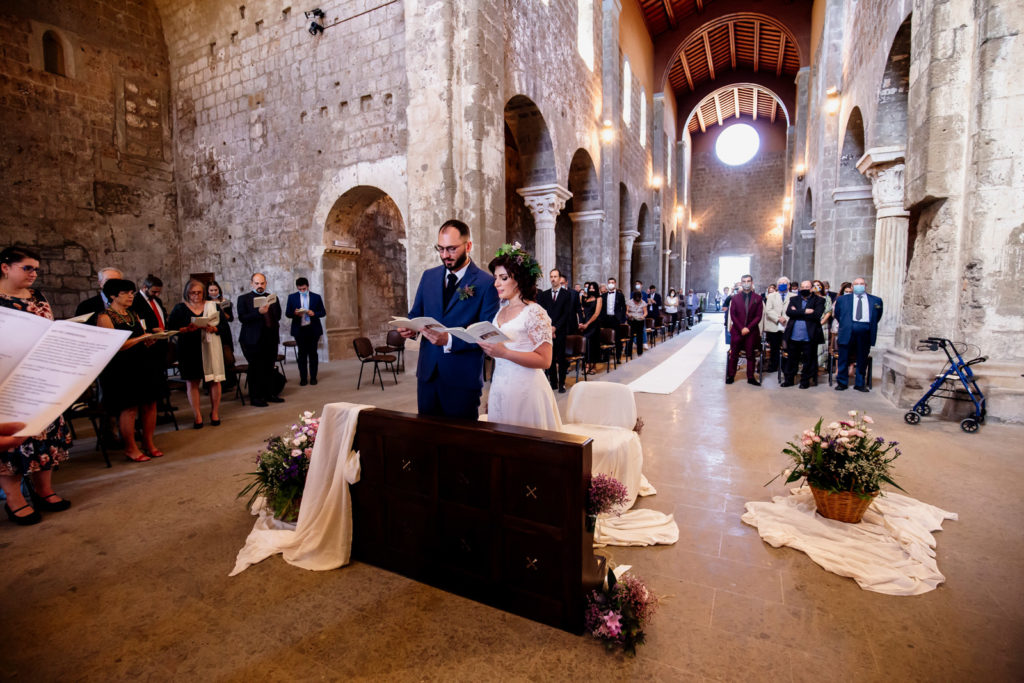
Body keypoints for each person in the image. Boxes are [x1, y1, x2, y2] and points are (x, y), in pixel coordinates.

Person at [0, 246, 73, 525]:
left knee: (46, 434)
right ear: (5, 267)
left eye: (36, 269)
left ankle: (44, 490)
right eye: (27, 267)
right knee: (14, 441)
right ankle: (14, 499)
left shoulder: (38, 296)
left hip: (42, 375)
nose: (33, 273)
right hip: (9, 379)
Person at [398, 220, 500, 419]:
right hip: (427, 375)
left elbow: (487, 334)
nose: (445, 255)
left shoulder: (486, 283)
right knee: (427, 438)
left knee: (459, 444)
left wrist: (449, 340)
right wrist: (410, 328)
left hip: (462, 379)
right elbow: (415, 314)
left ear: (468, 246)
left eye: (452, 249)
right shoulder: (429, 276)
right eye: (441, 248)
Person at [478, 245, 561, 431]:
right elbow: (500, 352)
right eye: (496, 278)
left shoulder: (535, 312)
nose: (496, 284)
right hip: (500, 384)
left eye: (503, 278)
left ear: (519, 280)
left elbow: (545, 360)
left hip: (527, 390)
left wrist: (505, 352)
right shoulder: (501, 309)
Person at [96, 278, 163, 461]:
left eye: (132, 292)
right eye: (126, 293)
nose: (131, 296)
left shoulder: (132, 314)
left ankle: (148, 443)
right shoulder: (105, 317)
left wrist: (149, 339)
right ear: (112, 295)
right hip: (121, 368)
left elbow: (140, 336)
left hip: (141, 363)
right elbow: (112, 346)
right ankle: (130, 447)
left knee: (150, 404)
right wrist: (140, 340)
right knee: (130, 408)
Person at [168, 278, 226, 428]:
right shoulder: (180, 308)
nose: (196, 296)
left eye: (199, 293)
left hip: (210, 346)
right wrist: (184, 329)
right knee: (192, 382)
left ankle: (215, 413)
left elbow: (224, 327)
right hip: (188, 348)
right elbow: (171, 328)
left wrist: (214, 328)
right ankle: (197, 415)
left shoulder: (213, 306)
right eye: (192, 293)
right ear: (187, 293)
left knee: (214, 380)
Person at [237, 273, 284, 407]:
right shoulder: (244, 299)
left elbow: (278, 316)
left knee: (269, 367)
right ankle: (256, 397)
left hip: (271, 337)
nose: (259, 286)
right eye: (257, 283)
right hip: (252, 339)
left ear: (266, 283)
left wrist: (270, 311)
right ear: (251, 283)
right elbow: (242, 318)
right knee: (256, 369)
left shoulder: (272, 298)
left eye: (262, 283)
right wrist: (259, 312)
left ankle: (270, 394)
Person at [834, 277, 884, 392]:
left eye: (861, 283)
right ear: (852, 287)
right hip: (847, 331)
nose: (859, 286)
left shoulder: (876, 300)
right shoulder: (843, 299)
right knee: (843, 358)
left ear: (865, 285)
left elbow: (877, 316)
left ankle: (860, 383)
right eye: (856, 284)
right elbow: (838, 314)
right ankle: (842, 382)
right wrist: (847, 324)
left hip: (865, 332)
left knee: (862, 358)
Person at [537, 268, 576, 393]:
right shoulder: (544, 295)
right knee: (551, 358)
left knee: (561, 358)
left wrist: (555, 328)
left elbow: (566, 314)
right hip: (547, 331)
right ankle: (553, 383)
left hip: (561, 330)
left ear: (560, 279)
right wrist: (549, 328)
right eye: (551, 276)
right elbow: (542, 313)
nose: (553, 279)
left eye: (555, 276)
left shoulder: (566, 294)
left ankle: (561, 383)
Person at [781, 280, 825, 389]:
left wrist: (798, 312)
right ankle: (789, 380)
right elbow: (789, 313)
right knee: (792, 359)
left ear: (811, 288)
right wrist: (806, 311)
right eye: (803, 286)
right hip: (793, 335)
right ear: (800, 288)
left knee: (808, 360)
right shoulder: (794, 299)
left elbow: (816, 315)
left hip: (809, 336)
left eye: (807, 287)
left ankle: (805, 381)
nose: (805, 288)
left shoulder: (819, 300)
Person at [285, 277, 327, 386]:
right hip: (299, 330)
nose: (302, 291)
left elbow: (323, 312)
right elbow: (287, 313)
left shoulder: (316, 297)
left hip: (313, 329)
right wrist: (295, 313)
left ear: (308, 286)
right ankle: (303, 378)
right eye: (300, 289)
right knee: (302, 355)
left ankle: (313, 377)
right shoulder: (292, 297)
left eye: (304, 289)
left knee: (313, 354)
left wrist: (314, 313)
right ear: (297, 288)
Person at [726, 274, 763, 385]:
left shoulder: (758, 298)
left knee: (750, 355)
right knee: (734, 355)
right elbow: (733, 315)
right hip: (737, 331)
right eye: (744, 281)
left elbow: (758, 316)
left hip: (751, 332)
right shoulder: (735, 298)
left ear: (751, 283)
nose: (746, 283)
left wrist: (748, 328)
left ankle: (750, 377)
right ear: (741, 283)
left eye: (748, 281)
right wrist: (741, 328)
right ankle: (731, 376)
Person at [206, 280, 236, 389]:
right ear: (208, 291)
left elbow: (231, 318)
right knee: (212, 356)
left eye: (215, 290)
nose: (213, 292)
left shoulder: (225, 302)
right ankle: (212, 384)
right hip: (211, 330)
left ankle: (229, 383)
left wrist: (222, 311)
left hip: (224, 330)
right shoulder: (205, 302)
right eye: (211, 290)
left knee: (227, 355)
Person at [763, 277, 794, 373]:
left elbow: (794, 309)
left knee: (787, 347)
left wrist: (785, 318)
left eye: (784, 283)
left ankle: (786, 366)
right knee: (774, 348)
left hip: (787, 325)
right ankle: (773, 366)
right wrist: (778, 318)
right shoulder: (771, 296)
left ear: (789, 285)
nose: (782, 285)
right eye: (780, 283)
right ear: (777, 286)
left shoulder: (794, 296)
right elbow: (768, 310)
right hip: (774, 325)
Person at [578, 281, 603, 374]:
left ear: (596, 289)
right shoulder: (584, 298)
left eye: (593, 288)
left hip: (594, 324)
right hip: (585, 323)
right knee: (586, 344)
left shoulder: (599, 298)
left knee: (593, 344)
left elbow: (596, 314)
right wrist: (581, 323)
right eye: (590, 288)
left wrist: (587, 324)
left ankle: (593, 366)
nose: (591, 289)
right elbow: (581, 311)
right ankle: (587, 364)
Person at [600, 277, 627, 362]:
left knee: (617, 338)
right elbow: (601, 309)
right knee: (605, 338)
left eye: (612, 282)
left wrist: (622, 319)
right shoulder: (604, 295)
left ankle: (618, 357)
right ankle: (606, 357)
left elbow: (624, 307)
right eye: (609, 282)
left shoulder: (620, 295)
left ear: (615, 284)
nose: (611, 284)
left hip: (616, 319)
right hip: (606, 319)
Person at [625, 290, 648, 357]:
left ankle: (639, 352)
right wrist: (628, 315)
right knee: (630, 336)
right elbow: (626, 311)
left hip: (640, 320)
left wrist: (643, 316)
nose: (636, 302)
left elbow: (645, 312)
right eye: (635, 301)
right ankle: (628, 352)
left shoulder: (643, 302)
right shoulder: (629, 302)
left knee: (639, 336)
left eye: (638, 301)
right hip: (631, 320)